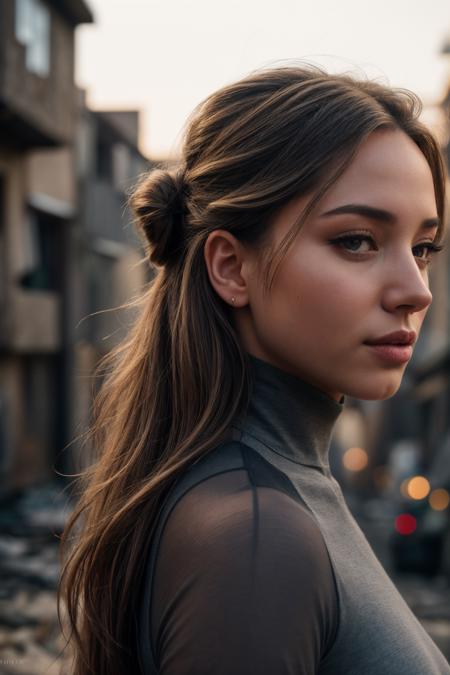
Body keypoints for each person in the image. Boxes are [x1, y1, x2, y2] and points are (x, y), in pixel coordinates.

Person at [59, 65, 450, 674]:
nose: (414, 290)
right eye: (357, 241)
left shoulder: (274, 496)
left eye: (422, 248)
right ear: (231, 267)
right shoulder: (256, 535)